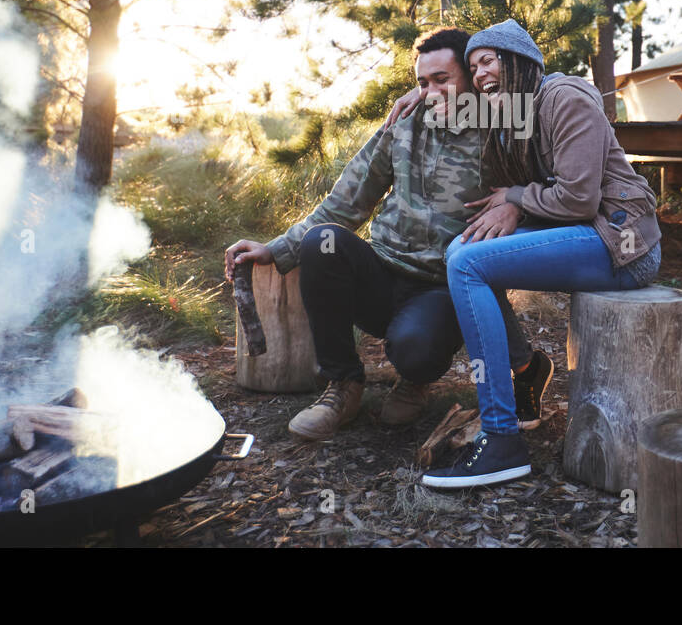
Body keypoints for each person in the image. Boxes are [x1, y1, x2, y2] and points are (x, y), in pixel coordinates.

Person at [224, 28, 550, 441]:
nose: (430, 92)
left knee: (413, 349)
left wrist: (516, 202)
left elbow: (535, 111)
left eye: (443, 79)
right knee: (322, 243)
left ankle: (414, 380)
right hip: (382, 270)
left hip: (442, 285)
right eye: (422, 82)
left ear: (470, 77)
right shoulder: (405, 122)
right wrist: (274, 249)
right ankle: (343, 384)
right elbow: (347, 200)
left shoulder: (503, 128)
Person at [417, 19, 662, 489]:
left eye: (488, 60)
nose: (481, 72)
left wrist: (515, 198)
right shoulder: (509, 114)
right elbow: (449, 107)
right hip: (584, 236)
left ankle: (500, 438)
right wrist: (414, 98)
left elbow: (578, 199)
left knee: (468, 264)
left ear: (519, 61)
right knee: (462, 251)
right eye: (473, 66)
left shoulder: (564, 97)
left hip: (623, 243)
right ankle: (527, 370)